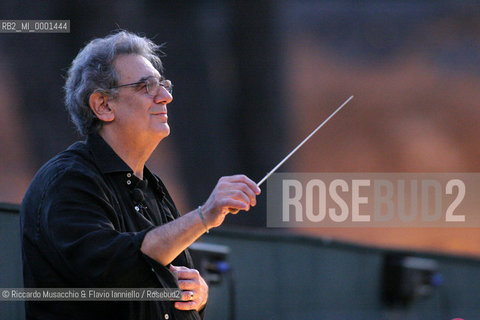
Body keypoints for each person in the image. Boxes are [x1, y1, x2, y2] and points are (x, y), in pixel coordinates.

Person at [20, 30, 260, 320]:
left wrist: (198, 293)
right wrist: (204, 215)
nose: (166, 97)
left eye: (163, 85)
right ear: (103, 106)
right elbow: (114, 269)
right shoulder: (67, 180)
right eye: (147, 86)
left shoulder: (152, 186)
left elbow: (166, 277)